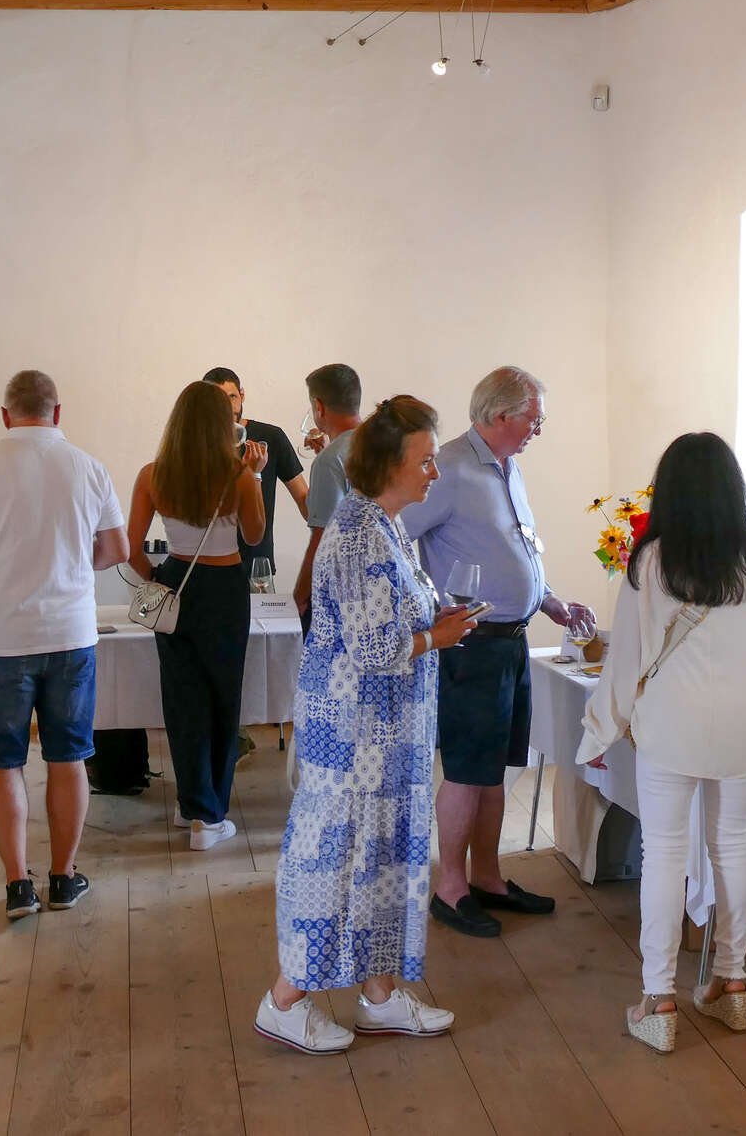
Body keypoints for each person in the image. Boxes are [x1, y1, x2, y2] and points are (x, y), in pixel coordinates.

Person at [258, 396, 476, 1054]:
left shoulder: (384, 524)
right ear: (389, 463)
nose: (435, 472)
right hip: (354, 737)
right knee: (335, 863)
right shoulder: (358, 533)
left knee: (382, 859)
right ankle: (283, 1000)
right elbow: (373, 645)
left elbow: (392, 616)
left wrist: (436, 622)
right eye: (426, 460)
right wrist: (436, 638)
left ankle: (379, 996)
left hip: (384, 737)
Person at [576, 432, 746, 1054]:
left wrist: (600, 728)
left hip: (672, 724)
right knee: (734, 845)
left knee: (666, 854)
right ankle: (733, 982)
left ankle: (659, 998)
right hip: (742, 721)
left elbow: (627, 658)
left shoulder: (651, 562)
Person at [401, 365, 595, 937]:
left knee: (496, 772)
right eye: (534, 419)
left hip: (511, 642)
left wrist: (549, 600)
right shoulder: (451, 469)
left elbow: (518, 549)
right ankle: (450, 888)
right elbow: (396, 534)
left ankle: (487, 877)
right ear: (500, 414)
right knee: (467, 773)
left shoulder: (507, 468)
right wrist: (425, 607)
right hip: (471, 645)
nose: (539, 429)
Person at [0, 370, 127, 919]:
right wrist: (74, 563)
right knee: (69, 758)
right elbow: (117, 548)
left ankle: (17, 886)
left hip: (5, 639)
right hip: (71, 636)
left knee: (3, 763)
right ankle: (64, 879)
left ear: (5, 415)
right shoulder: (89, 467)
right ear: (57, 412)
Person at [126, 381, 266, 851]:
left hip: (175, 582)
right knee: (223, 699)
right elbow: (254, 536)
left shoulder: (153, 475)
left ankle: (191, 805)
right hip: (224, 588)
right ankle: (208, 817)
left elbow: (131, 548)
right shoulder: (239, 475)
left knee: (182, 700)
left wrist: (156, 580)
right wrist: (256, 477)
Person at [203, 367, 308, 576]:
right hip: (209, 566)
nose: (227, 407)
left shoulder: (271, 437)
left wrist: (326, 455)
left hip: (257, 569)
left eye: (232, 397)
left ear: (242, 395)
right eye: (218, 400)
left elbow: (306, 503)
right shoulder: (199, 442)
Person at [290, 363, 363, 624]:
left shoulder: (330, 461)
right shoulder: (379, 446)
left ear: (318, 407)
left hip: (341, 596)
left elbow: (324, 538)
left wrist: (299, 596)